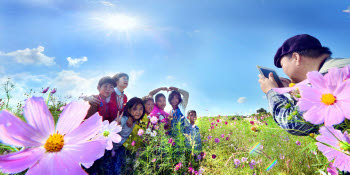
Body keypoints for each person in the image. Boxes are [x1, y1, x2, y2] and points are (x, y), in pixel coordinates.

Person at [258, 34, 350, 136]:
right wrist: (294, 92)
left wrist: (271, 92)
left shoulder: (331, 77)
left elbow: (294, 124)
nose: (284, 72)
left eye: (283, 65)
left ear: (296, 58)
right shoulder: (340, 67)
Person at [86, 97, 145, 175]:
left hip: (115, 150)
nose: (138, 112)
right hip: (105, 150)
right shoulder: (123, 120)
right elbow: (109, 132)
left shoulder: (133, 120)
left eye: (141, 109)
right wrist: (116, 125)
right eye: (135, 109)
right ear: (129, 110)